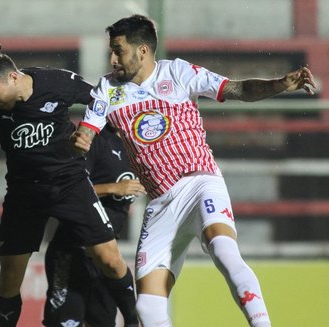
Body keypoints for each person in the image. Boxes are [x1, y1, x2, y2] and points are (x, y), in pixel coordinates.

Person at [72, 15, 316, 327]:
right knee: (147, 306)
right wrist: (81, 140)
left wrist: (279, 85)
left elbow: (236, 89)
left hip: (200, 182)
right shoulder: (108, 88)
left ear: (142, 51)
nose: (112, 59)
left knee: (224, 251)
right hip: (161, 204)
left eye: (118, 51)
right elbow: (88, 130)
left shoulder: (178, 72)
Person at [0, 43, 146, 327]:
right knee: (9, 280)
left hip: (69, 183)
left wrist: (90, 130)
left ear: (13, 78)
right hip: (24, 193)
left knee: (110, 260)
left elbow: (102, 99)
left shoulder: (57, 82)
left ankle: (136, 321)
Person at [43, 124, 143, 327]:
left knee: (103, 322)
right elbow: (67, 188)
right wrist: (113, 188)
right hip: (72, 250)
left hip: (104, 256)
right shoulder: (96, 140)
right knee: (64, 322)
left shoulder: (139, 144)